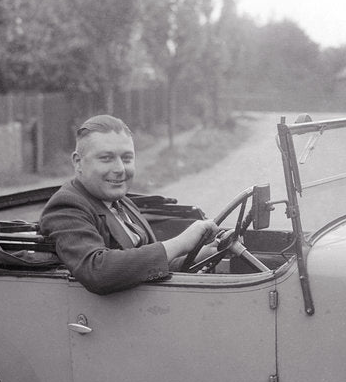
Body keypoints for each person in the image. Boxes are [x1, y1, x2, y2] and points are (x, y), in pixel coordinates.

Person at [40, 115, 218, 295]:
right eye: (106, 158)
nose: (120, 169)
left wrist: (201, 254)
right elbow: (97, 271)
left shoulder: (122, 202)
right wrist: (181, 243)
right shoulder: (66, 206)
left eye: (126, 159)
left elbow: (145, 267)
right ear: (78, 162)